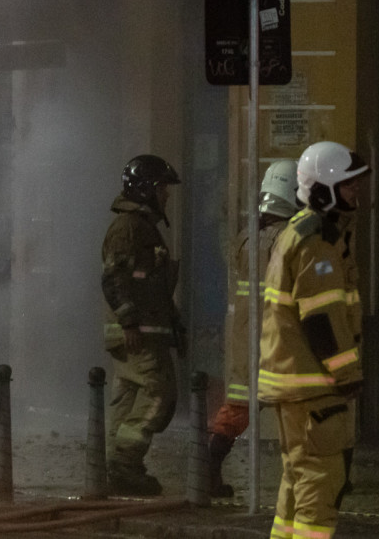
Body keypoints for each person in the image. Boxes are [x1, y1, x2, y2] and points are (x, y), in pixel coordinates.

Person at [259, 141, 369, 539]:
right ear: (324, 189)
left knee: (297, 482)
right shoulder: (317, 241)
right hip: (313, 385)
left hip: (298, 383)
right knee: (321, 486)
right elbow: (321, 319)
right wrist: (348, 373)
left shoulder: (305, 234)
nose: (357, 191)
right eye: (349, 184)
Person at [207, 159, 299, 498]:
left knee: (237, 407)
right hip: (280, 337)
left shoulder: (247, 240)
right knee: (302, 407)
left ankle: (208, 471)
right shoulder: (289, 240)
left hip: (246, 337)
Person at [100, 154, 186, 496]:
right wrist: (130, 322)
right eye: (162, 188)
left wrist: (174, 324)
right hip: (137, 334)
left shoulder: (142, 227)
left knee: (129, 399)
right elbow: (113, 279)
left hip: (142, 331)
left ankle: (118, 468)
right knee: (158, 394)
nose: (166, 195)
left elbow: (153, 286)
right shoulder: (129, 228)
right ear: (147, 189)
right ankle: (125, 465)